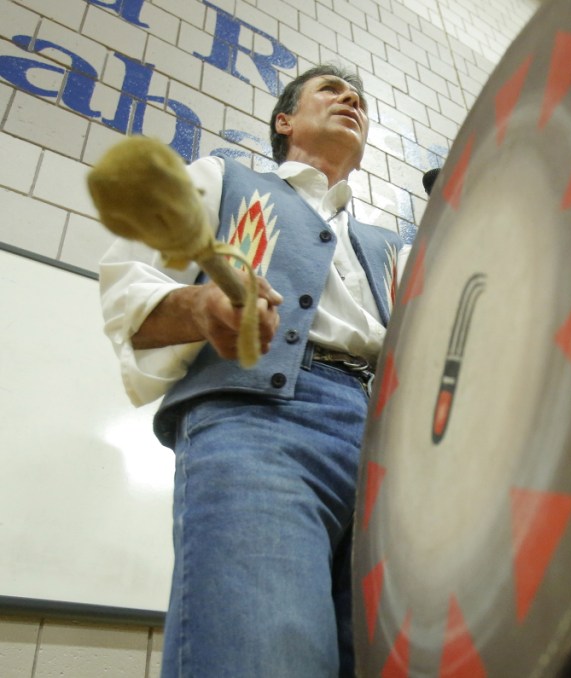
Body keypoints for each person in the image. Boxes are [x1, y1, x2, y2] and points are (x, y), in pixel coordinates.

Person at [99, 63, 406, 677]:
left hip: (388, 459)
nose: (351, 98)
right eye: (330, 89)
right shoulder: (222, 178)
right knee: (267, 654)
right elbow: (129, 289)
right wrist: (202, 305)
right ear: (284, 120)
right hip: (259, 425)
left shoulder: (390, 247)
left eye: (360, 99)